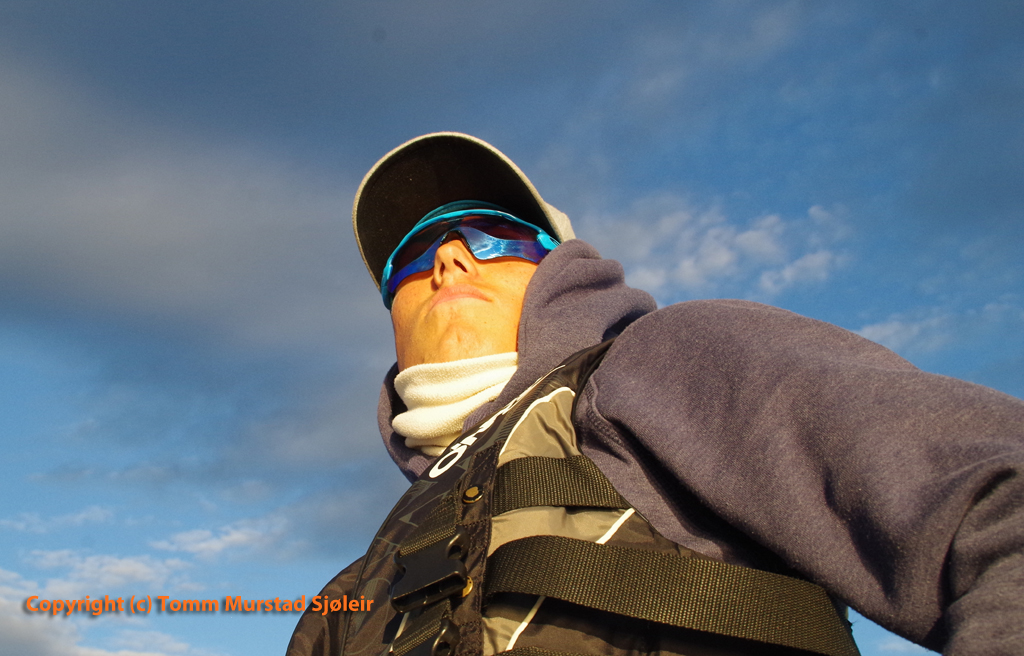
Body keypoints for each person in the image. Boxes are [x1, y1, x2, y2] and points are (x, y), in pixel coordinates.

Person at [288, 132, 1024, 656]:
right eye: (413, 256)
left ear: (561, 267)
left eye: (496, 234)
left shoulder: (660, 360)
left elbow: (999, 496)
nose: (448, 259)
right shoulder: (352, 589)